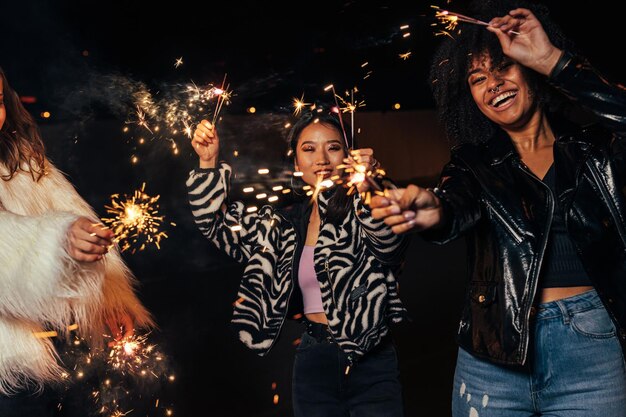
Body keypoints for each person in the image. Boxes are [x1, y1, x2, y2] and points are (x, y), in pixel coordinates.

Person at [370, 1, 626, 416]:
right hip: (491, 358)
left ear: (528, 69)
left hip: (591, 348)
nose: (493, 84)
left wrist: (551, 60)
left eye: (503, 67)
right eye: (477, 78)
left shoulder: (597, 147)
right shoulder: (472, 164)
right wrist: (430, 211)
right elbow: (454, 206)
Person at [187, 109, 409, 416]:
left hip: (371, 359)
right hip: (312, 359)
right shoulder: (285, 223)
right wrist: (208, 161)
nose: (322, 159)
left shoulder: (368, 206)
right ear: (295, 163)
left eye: (333, 147)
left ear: (350, 156)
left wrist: (369, 187)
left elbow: (389, 242)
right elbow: (219, 225)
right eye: (309, 149)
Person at [0, 67, 154, 415]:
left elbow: (81, 227)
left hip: (61, 362)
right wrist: (58, 241)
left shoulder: (25, 165)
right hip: (8, 375)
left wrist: (110, 302)